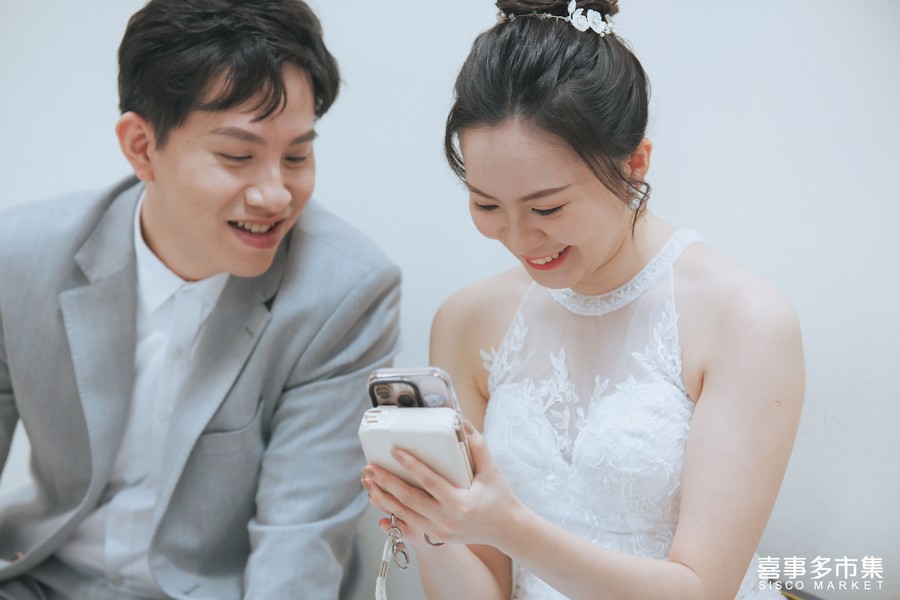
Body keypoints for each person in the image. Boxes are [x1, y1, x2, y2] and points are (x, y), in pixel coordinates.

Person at [361, 1, 804, 598]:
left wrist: (509, 528)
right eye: (486, 205)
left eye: (547, 208)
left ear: (635, 164)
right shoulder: (468, 321)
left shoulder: (744, 320)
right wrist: (431, 528)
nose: (519, 239)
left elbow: (701, 590)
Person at [0, 1, 400, 598]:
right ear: (141, 146)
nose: (275, 195)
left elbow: (296, 552)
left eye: (297, 155)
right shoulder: (19, 260)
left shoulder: (345, 294)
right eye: (237, 155)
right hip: (41, 579)